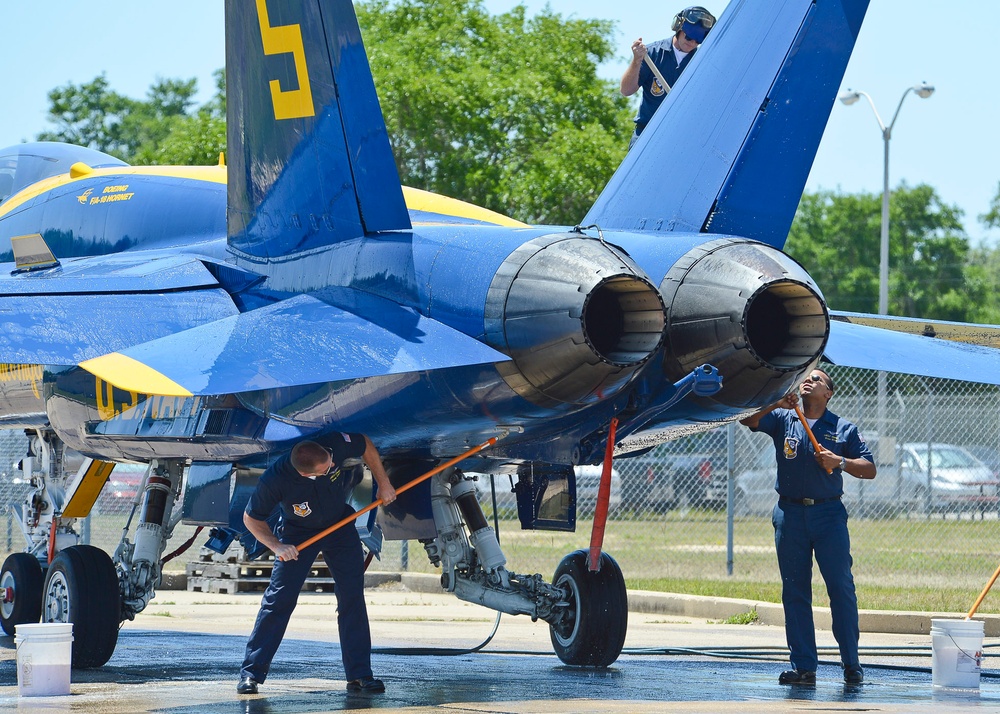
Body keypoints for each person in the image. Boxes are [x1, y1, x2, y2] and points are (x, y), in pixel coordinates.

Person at [740, 369, 876, 686]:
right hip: (789, 514)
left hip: (828, 516)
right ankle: (804, 667)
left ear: (828, 394)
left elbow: (868, 468)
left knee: (841, 589)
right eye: (807, 377)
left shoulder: (843, 429)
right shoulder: (785, 419)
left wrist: (839, 461)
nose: (809, 380)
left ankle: (851, 664)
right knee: (795, 590)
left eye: (818, 379)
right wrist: (776, 403)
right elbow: (749, 420)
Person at [237, 435, 397, 695]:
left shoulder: (331, 447)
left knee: (352, 597)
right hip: (298, 534)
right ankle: (251, 674)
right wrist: (277, 546)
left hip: (340, 526)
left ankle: (359, 674)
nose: (333, 465)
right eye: (326, 469)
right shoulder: (275, 480)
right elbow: (251, 518)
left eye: (331, 462)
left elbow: (364, 444)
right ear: (306, 473)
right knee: (279, 600)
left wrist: (384, 482)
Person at [620, 6, 716, 147]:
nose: (692, 43)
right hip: (646, 135)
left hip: (680, 140)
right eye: (689, 37)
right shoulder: (651, 54)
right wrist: (636, 60)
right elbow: (626, 90)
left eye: (698, 41)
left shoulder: (702, 64)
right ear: (678, 27)